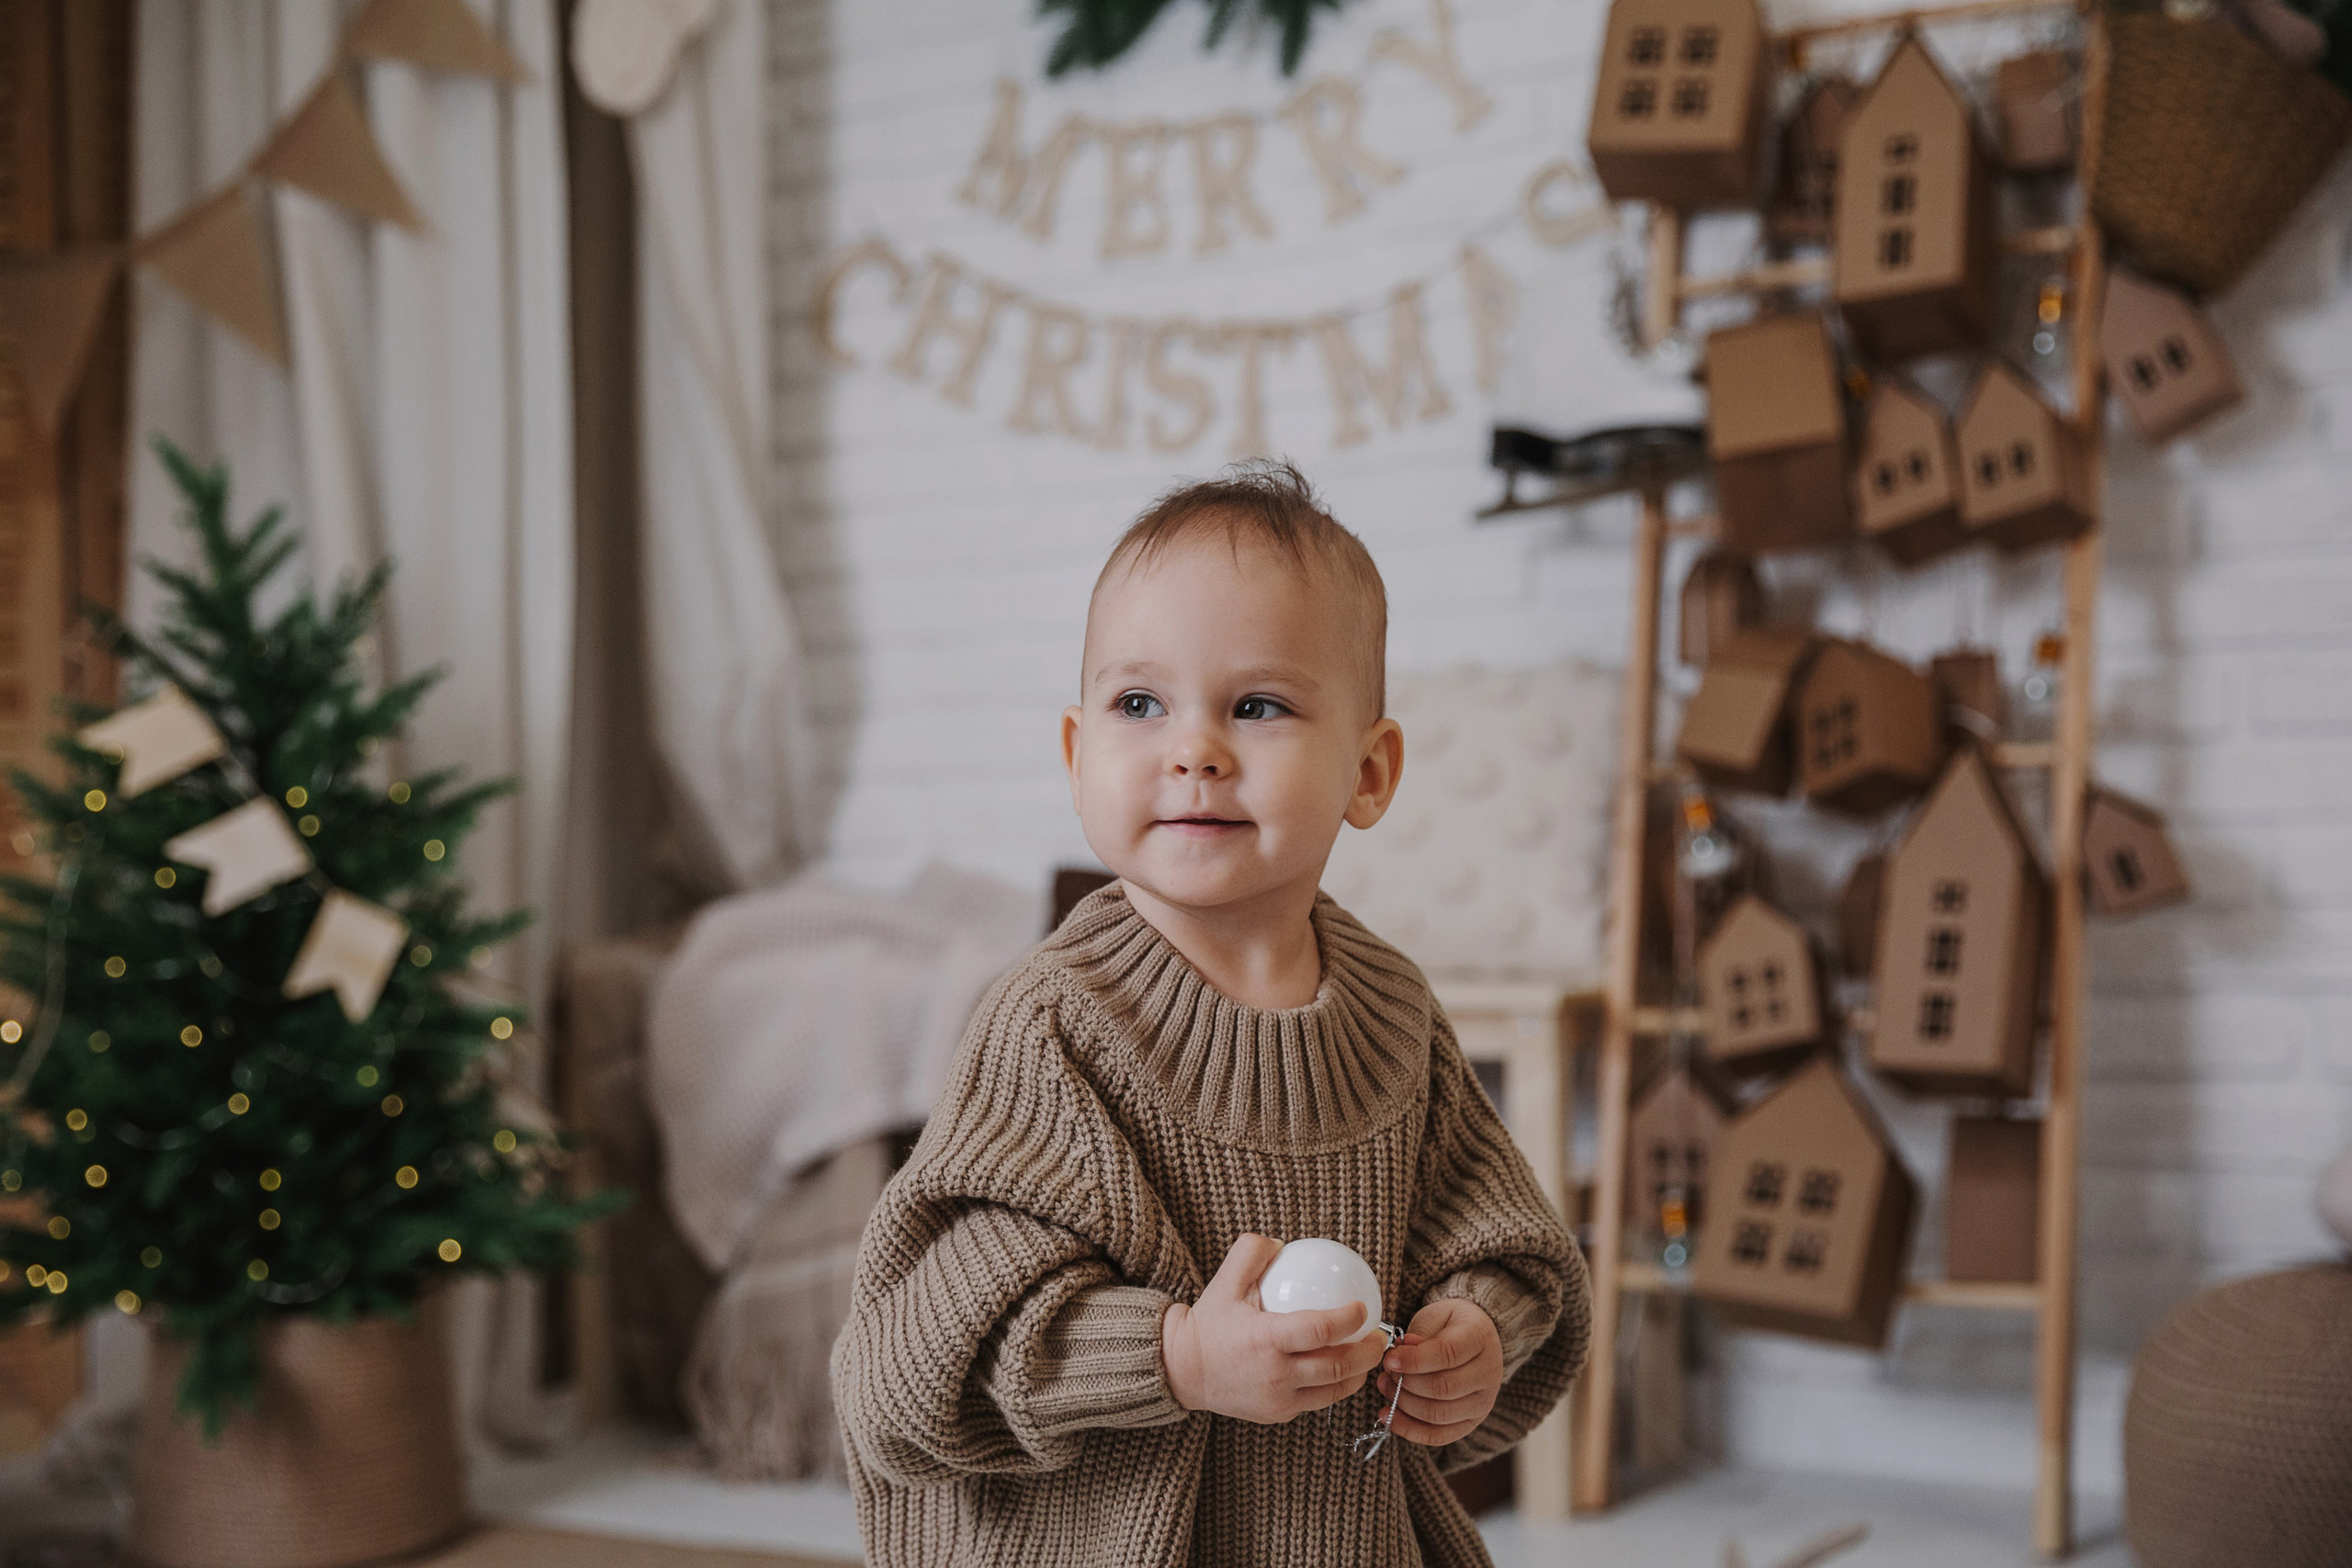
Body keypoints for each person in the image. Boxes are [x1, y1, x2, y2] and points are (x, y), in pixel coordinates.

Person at [831, 459, 1590, 1567]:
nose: (1194, 749)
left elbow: (1502, 1240)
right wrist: (1177, 1357)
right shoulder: (1053, 1027)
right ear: (1077, 752)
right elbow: (917, 1354)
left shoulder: (1391, 1016)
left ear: (1368, 775)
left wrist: (1477, 1334)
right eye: (1139, 703)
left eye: (1257, 705)